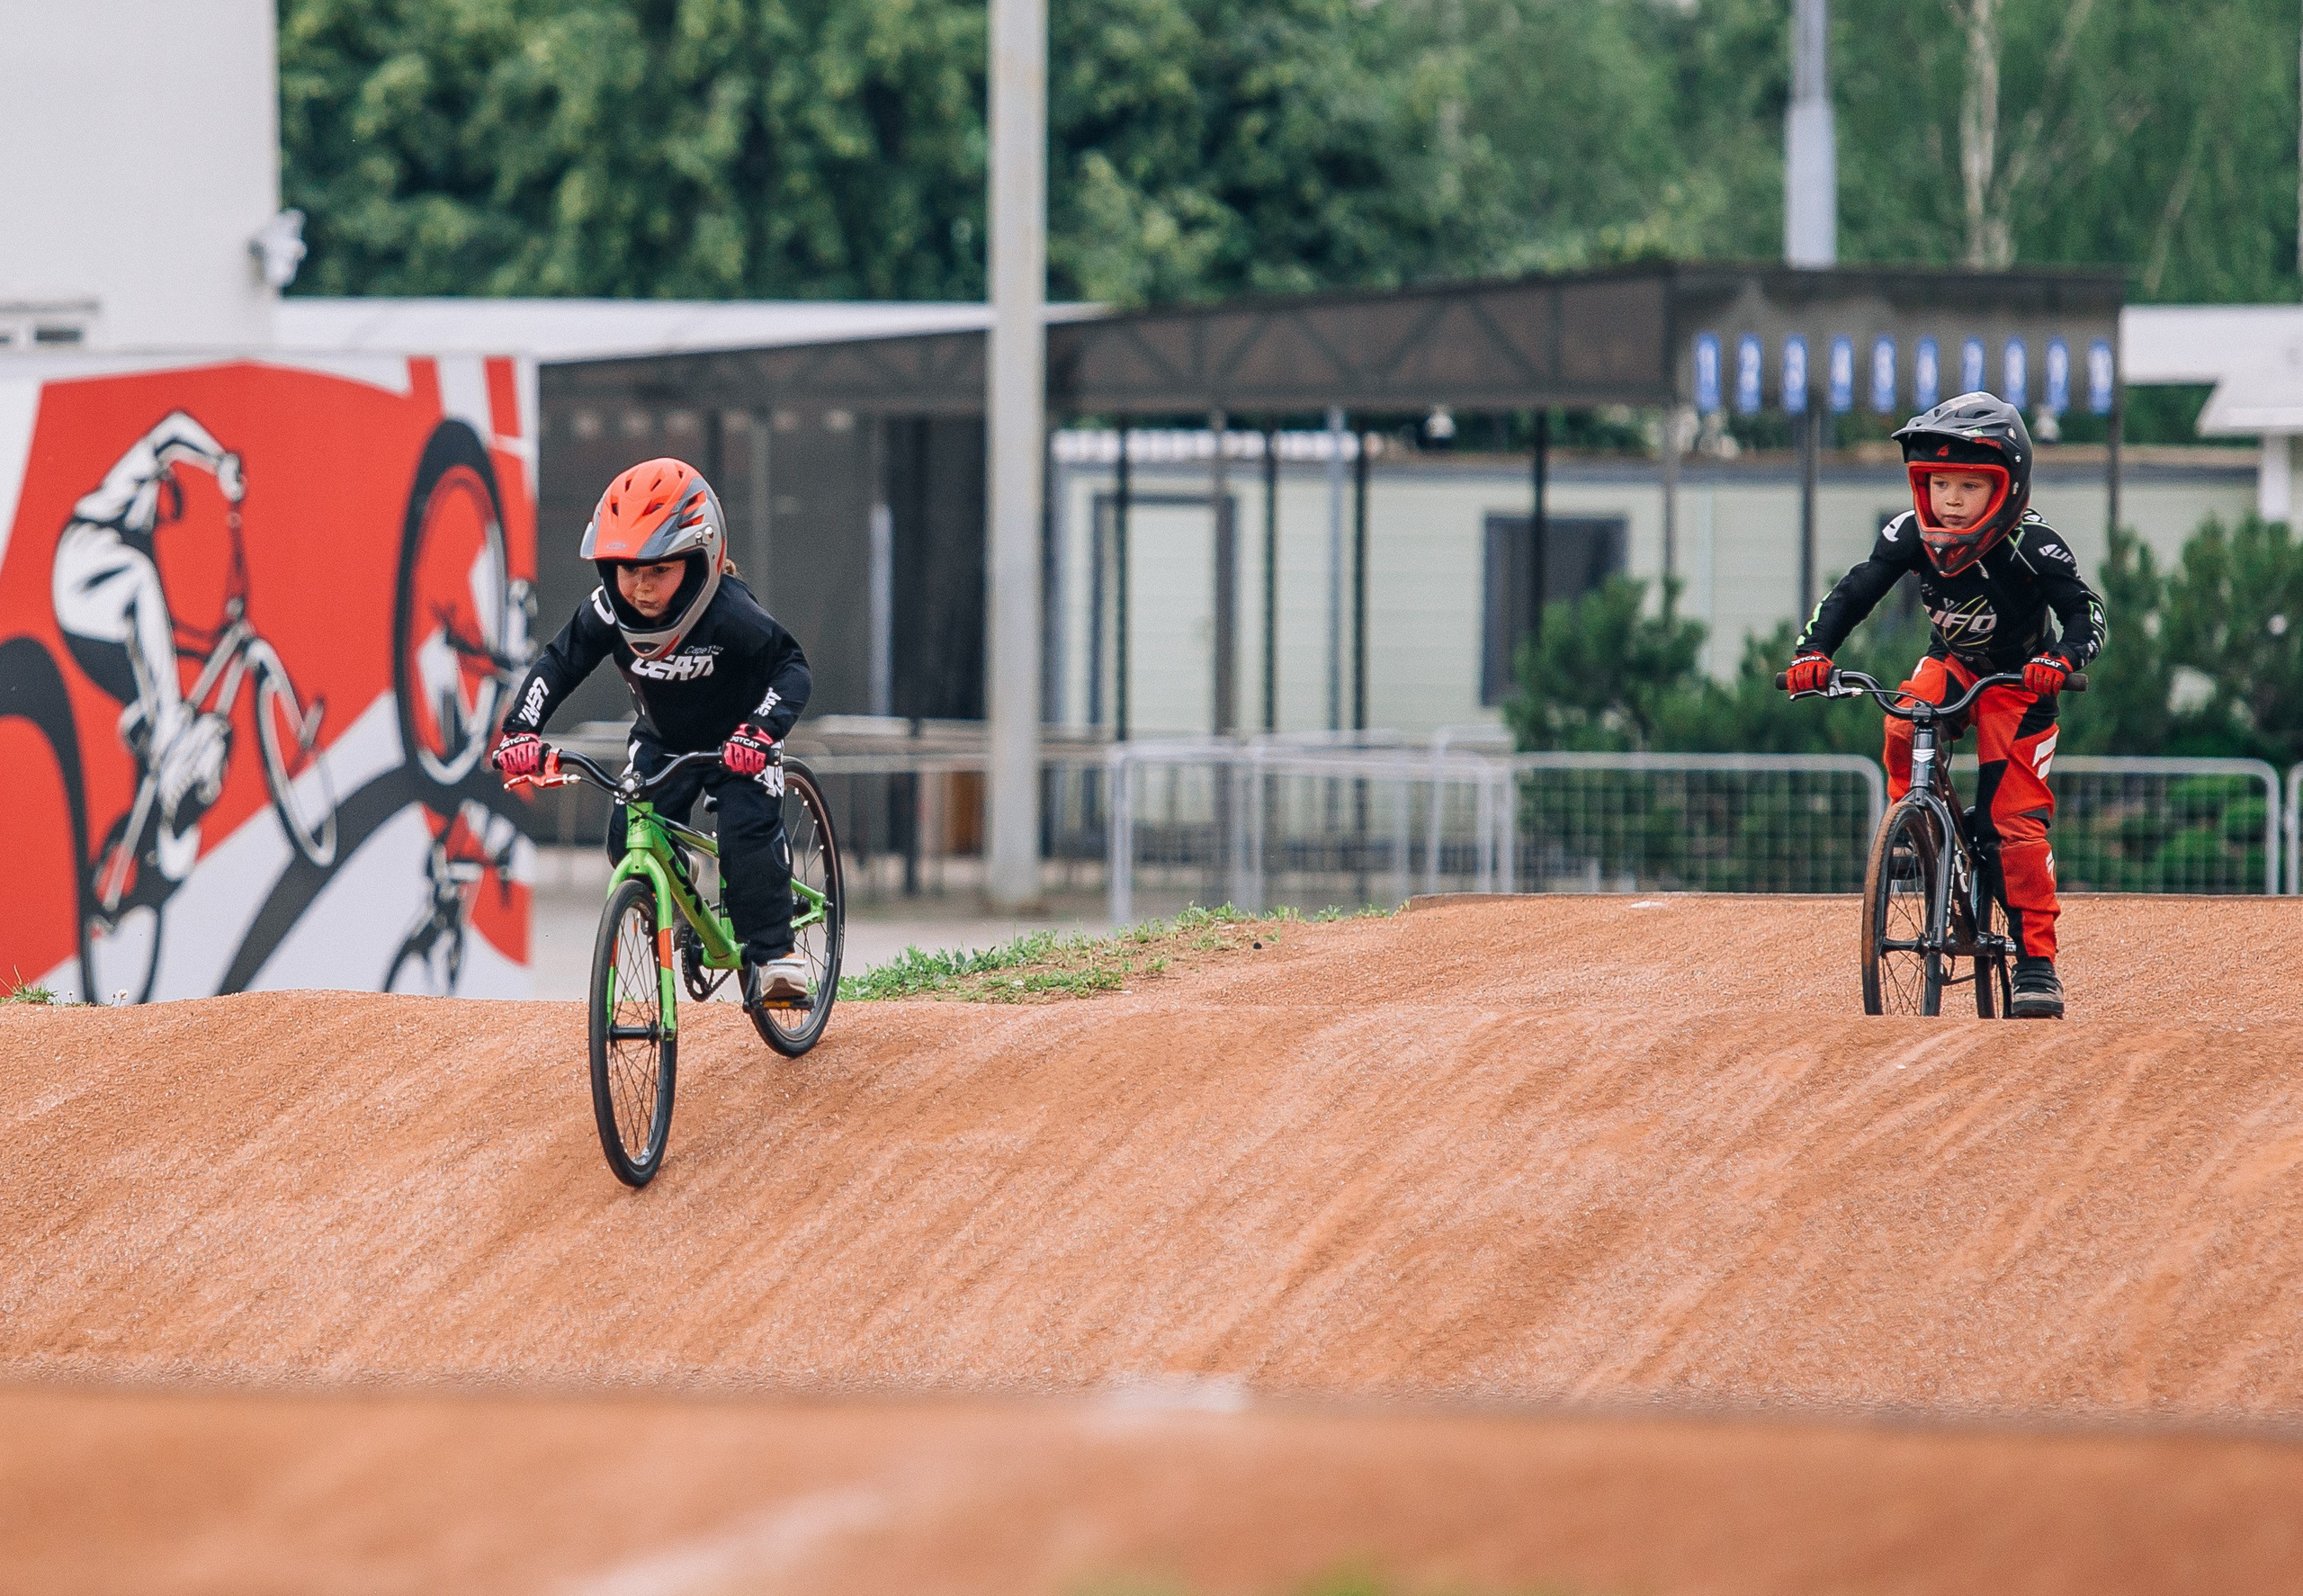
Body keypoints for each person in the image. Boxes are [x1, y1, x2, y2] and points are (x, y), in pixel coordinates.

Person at [1782, 391, 2105, 1019]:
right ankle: (1919, 834)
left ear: (2006, 488)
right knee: (1904, 716)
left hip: (2022, 683)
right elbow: (1852, 594)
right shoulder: (1909, 535)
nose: (1950, 500)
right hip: (1954, 667)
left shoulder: (2033, 544)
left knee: (2012, 824)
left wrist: (2061, 662)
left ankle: (2037, 962)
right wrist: (1811, 653)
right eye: (1938, 484)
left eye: (1969, 486)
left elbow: (2086, 615)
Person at [494, 457, 813, 1006]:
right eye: (627, 568)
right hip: (663, 742)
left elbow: (792, 670)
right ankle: (679, 904)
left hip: (740, 744)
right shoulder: (606, 612)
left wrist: (761, 732)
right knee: (625, 835)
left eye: (659, 570)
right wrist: (520, 732)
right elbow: (558, 665)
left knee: (745, 834)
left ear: (700, 561)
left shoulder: (730, 613)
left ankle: (773, 954)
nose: (641, 587)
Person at [51, 411, 245, 880]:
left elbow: (155, 631)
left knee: (159, 700)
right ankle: (170, 738)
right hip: (79, 566)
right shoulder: (131, 482)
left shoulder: (139, 544)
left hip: (95, 629)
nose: (160, 515)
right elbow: (173, 428)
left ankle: (165, 825)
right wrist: (218, 461)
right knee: (141, 579)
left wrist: (202, 647)